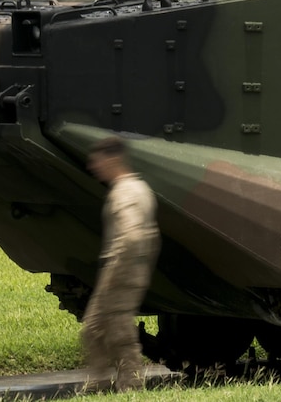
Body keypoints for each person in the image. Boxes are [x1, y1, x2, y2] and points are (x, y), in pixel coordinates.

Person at [82, 135, 160, 392]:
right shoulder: (139, 187)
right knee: (109, 329)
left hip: (121, 269)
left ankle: (119, 384)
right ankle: (111, 382)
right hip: (133, 267)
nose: (95, 167)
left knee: (103, 329)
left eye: (98, 161)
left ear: (113, 158)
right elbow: (151, 236)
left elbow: (133, 234)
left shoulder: (125, 191)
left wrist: (117, 266)